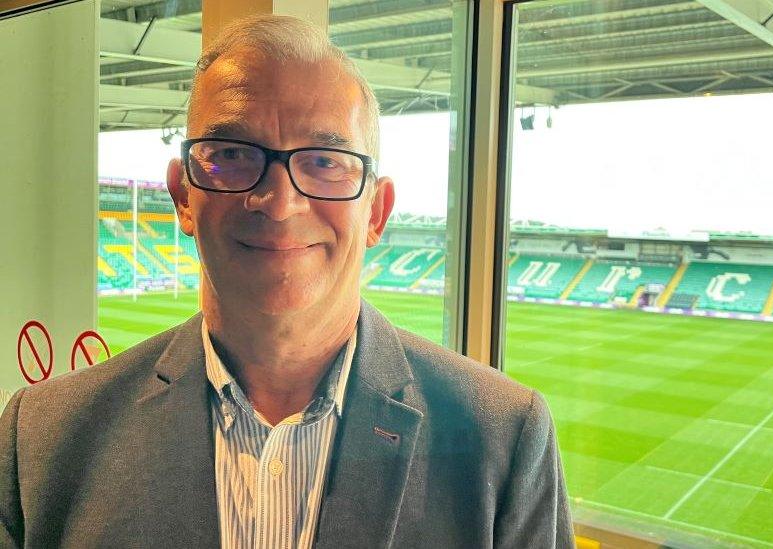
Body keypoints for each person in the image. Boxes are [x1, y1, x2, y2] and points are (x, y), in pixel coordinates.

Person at [0, 15, 573, 549]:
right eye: (230, 154)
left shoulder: (504, 442)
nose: (278, 202)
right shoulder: (40, 440)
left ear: (376, 212)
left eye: (325, 161)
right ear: (182, 195)